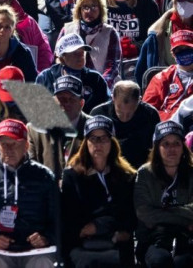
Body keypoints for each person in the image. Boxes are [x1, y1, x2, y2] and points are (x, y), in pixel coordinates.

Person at [0, 119, 58, 267]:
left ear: (26, 145)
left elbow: (56, 219)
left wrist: (46, 238)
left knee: (43, 263)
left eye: (14, 144)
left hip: (34, 249)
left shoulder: (44, 176)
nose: (8, 149)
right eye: (4, 144)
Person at [60, 115, 136, 267]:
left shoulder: (126, 176)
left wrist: (100, 226)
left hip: (118, 241)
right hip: (83, 244)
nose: (98, 144)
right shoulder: (72, 176)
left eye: (103, 138)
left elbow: (128, 214)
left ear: (112, 142)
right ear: (85, 142)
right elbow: (71, 217)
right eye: (93, 138)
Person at [134, 120, 193, 267]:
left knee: (183, 262)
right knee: (160, 261)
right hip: (154, 238)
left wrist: (164, 211)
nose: (171, 149)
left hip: (187, 237)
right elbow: (145, 213)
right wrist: (185, 218)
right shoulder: (144, 174)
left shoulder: (191, 173)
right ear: (157, 147)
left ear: (183, 147)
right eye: (166, 144)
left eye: (176, 143)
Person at [29, 75, 91, 176]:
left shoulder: (94, 129)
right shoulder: (34, 129)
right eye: (61, 98)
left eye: (71, 99)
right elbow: (31, 169)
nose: (66, 103)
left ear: (81, 103)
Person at [90, 80, 160, 168]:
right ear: (113, 98)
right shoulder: (99, 114)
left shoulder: (151, 115)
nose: (125, 118)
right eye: (120, 112)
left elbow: (155, 150)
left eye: (130, 113)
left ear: (139, 100)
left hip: (141, 166)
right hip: (108, 166)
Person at [58, 0, 122, 87]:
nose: (89, 11)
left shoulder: (110, 32)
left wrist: (100, 84)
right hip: (71, 85)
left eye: (94, 7)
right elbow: (58, 59)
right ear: (79, 10)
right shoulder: (67, 30)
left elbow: (112, 66)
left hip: (102, 85)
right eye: (85, 7)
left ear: (101, 9)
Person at [37, 33, 112, 111]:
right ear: (62, 59)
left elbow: (108, 106)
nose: (80, 57)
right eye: (75, 53)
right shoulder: (45, 77)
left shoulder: (96, 79)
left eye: (82, 52)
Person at [0, 5, 38, 81]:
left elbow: (31, 83)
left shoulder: (23, 53)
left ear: (13, 30)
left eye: (7, 27)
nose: (2, 30)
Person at [143, 29, 193, 121]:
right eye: (179, 50)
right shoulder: (161, 77)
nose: (184, 52)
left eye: (188, 49)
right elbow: (147, 111)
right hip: (168, 128)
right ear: (173, 54)